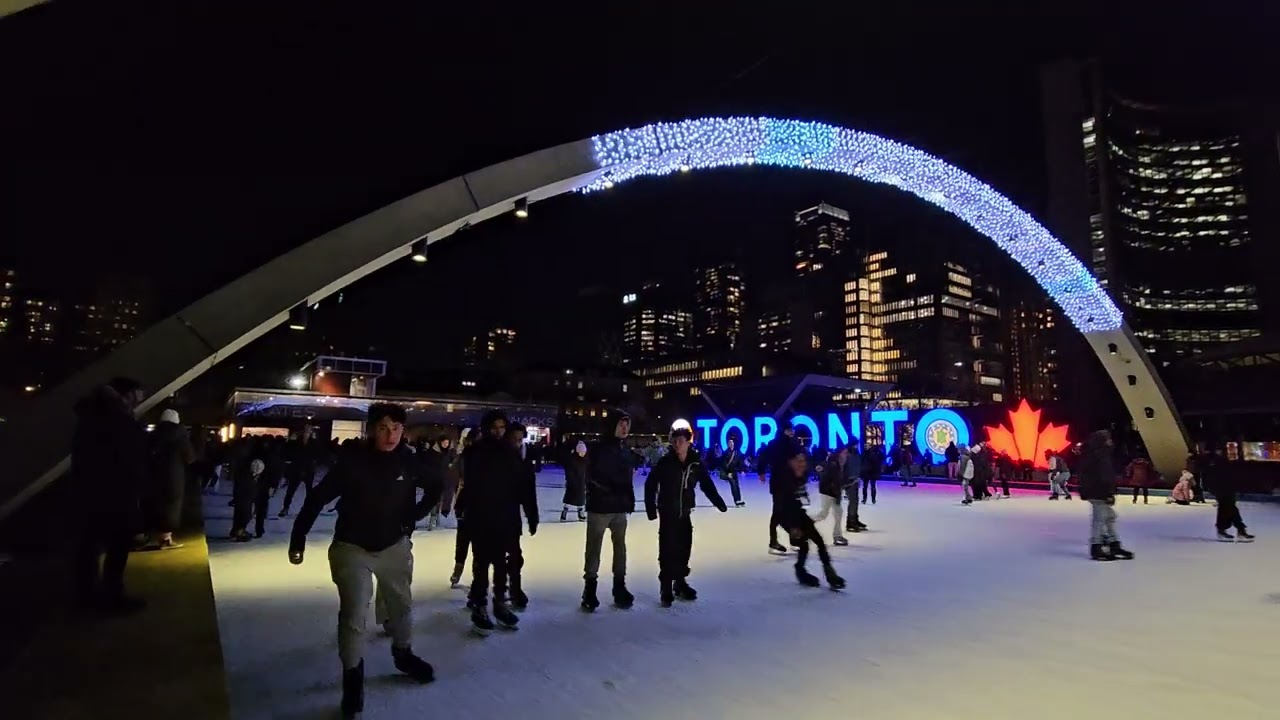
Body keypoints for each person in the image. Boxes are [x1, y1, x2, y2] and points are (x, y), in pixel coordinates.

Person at [288, 403, 439, 718]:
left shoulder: (409, 462)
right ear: (372, 429)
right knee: (355, 614)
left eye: (396, 428)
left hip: (394, 547)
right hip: (352, 547)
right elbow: (317, 498)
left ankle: (403, 653)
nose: (390, 435)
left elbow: (436, 486)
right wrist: (298, 537)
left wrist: (413, 517)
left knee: (401, 605)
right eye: (383, 428)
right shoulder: (353, 463)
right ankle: (352, 678)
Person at [71, 378, 150, 615]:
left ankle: (87, 596)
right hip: (117, 494)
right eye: (139, 393)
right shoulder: (119, 420)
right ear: (128, 394)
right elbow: (130, 460)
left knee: (89, 547)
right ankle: (111, 597)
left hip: (90, 492)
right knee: (117, 547)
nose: (142, 398)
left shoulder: (90, 416)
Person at [455, 410, 527, 634]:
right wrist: (463, 507)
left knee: (500, 564)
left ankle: (500, 604)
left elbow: (520, 484)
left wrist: (526, 513)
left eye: (502, 427)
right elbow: (470, 484)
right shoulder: (475, 452)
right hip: (481, 516)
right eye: (494, 428)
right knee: (482, 564)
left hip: (504, 517)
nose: (498, 432)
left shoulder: (510, 452)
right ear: (486, 428)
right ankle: (479, 606)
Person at [644, 425, 728, 606]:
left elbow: (706, 484)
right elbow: (650, 484)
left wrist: (718, 501)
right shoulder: (665, 462)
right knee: (667, 549)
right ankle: (666, 586)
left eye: (680, 441)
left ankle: (680, 582)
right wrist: (651, 508)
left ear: (688, 442)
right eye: (674, 441)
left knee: (684, 548)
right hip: (668, 512)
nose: (677, 444)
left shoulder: (695, 463)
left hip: (685, 512)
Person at [582, 415, 638, 611]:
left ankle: (619, 586)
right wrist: (605, 490)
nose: (625, 428)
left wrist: (628, 498)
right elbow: (591, 475)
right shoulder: (598, 449)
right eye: (621, 424)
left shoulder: (625, 449)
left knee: (620, 547)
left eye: (627, 424)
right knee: (594, 547)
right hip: (600, 507)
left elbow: (627, 478)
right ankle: (590, 589)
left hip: (619, 507)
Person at [772, 448, 845, 590]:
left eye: (804, 461)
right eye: (799, 461)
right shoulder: (783, 478)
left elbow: (797, 497)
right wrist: (793, 526)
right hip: (786, 515)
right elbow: (781, 505)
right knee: (803, 544)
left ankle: (830, 574)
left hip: (797, 511)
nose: (802, 464)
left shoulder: (798, 475)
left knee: (819, 541)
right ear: (790, 462)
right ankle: (801, 571)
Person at [1078, 430, 1133, 561]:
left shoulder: (1099, 454)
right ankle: (1096, 547)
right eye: (1108, 439)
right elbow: (1103, 476)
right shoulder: (1098, 455)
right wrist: (1108, 492)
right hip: (1098, 492)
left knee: (1109, 516)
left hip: (1097, 491)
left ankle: (1113, 544)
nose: (1111, 441)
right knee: (1100, 519)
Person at [144, 408, 194, 550]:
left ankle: (153, 535)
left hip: (154, 474)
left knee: (156, 503)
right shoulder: (181, 435)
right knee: (172, 504)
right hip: (174, 475)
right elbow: (190, 457)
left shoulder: (154, 435)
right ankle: (166, 538)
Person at [503, 422, 540, 609]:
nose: (516, 443)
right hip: (490, 515)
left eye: (519, 440)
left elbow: (528, 493)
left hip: (511, 517)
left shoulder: (523, 463)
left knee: (515, 556)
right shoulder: (494, 459)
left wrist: (533, 517)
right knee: (489, 556)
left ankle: (515, 590)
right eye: (513, 439)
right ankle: (481, 595)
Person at [761, 420, 804, 553]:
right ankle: (775, 542)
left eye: (792, 430)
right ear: (785, 431)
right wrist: (761, 472)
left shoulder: (789, 443)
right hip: (781, 484)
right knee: (779, 513)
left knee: (787, 513)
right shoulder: (782, 444)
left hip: (786, 483)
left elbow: (763, 457)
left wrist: (761, 471)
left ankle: (791, 541)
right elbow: (764, 457)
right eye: (790, 430)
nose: (792, 432)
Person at [278, 424, 321, 518]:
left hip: (308, 469)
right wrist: (291, 441)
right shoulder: (296, 441)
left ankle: (308, 508)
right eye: (305, 430)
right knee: (291, 491)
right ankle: (285, 508)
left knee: (309, 491)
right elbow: (287, 452)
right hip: (297, 469)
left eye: (308, 430)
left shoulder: (313, 442)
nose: (306, 432)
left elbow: (318, 453)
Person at [811, 445, 851, 546]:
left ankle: (837, 535)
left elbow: (840, 479)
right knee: (823, 514)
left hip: (834, 492)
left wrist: (848, 483)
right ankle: (806, 523)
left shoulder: (841, 463)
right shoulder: (833, 464)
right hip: (828, 492)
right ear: (840, 453)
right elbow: (829, 477)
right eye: (845, 453)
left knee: (838, 512)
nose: (846, 455)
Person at [1212, 459, 1255, 542]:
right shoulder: (1222, 467)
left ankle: (1236, 530)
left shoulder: (1229, 467)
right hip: (1223, 492)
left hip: (1227, 491)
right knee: (1228, 510)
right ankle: (1236, 530)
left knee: (1230, 510)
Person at [562, 440, 588, 521]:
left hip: (581, 483)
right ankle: (564, 513)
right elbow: (569, 472)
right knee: (569, 499)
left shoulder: (585, 460)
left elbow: (587, 472)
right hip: (573, 483)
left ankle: (580, 514)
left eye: (584, 452)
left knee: (581, 500)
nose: (583, 453)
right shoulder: (572, 460)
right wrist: (571, 481)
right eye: (581, 451)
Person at [843, 443, 867, 532]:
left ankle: (855, 520)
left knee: (855, 501)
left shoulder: (857, 455)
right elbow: (844, 469)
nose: (856, 446)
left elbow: (858, 466)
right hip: (849, 481)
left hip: (856, 479)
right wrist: (846, 481)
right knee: (852, 502)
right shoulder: (847, 455)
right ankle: (850, 522)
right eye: (855, 445)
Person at [721, 437, 746, 507]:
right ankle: (736, 501)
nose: (731, 444)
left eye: (732, 442)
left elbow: (740, 461)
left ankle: (739, 500)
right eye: (729, 442)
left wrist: (742, 470)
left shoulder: (737, 452)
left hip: (734, 471)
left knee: (737, 486)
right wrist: (727, 473)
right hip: (729, 472)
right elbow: (723, 464)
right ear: (727, 444)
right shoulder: (725, 453)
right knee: (733, 485)